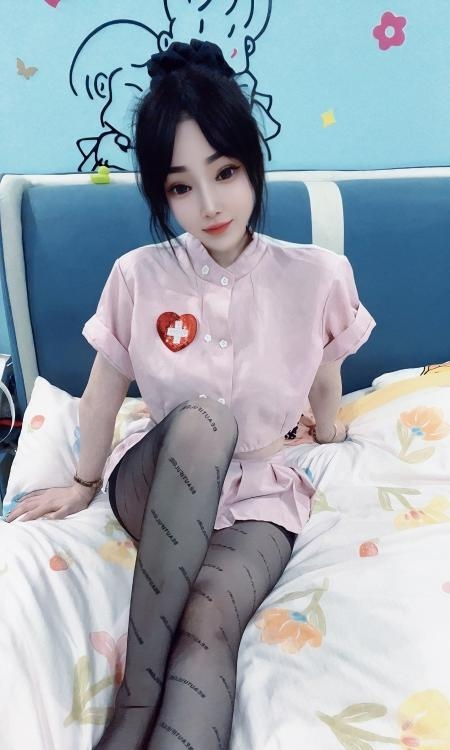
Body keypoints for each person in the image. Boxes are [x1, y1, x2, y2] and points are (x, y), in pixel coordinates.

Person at [6, 39, 375, 750]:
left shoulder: (319, 275)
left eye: (225, 172)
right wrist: (82, 482)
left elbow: (326, 373)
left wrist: (328, 430)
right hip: (158, 477)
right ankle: (136, 699)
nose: (209, 204)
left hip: (259, 496)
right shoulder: (137, 276)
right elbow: (103, 390)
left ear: (252, 162)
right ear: (161, 193)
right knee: (206, 421)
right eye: (180, 187)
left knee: (209, 620)